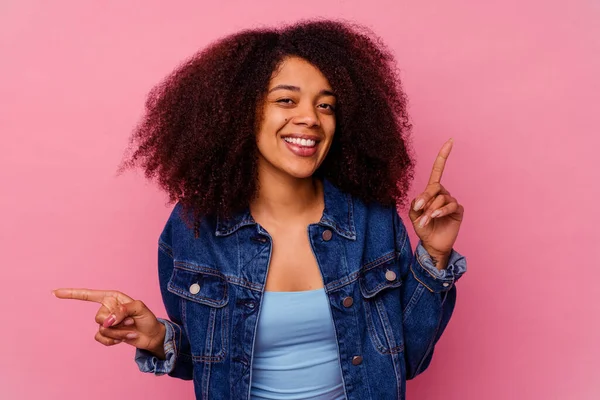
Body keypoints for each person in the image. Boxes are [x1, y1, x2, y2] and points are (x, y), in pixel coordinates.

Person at [53, 19, 467, 400]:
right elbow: (206, 362)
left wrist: (434, 257)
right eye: (286, 100)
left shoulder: (371, 219)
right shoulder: (195, 227)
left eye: (326, 106)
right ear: (241, 113)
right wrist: (159, 338)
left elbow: (408, 359)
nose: (310, 118)